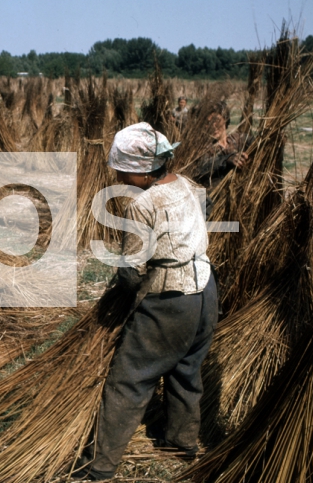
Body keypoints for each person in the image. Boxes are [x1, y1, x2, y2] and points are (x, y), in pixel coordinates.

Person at [73, 123, 219, 481]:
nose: (119, 177)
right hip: (206, 292)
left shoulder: (142, 205)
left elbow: (131, 272)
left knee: (129, 380)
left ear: (140, 171)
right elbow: (208, 204)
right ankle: (181, 443)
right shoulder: (186, 183)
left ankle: (101, 467)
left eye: (122, 171)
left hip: (170, 302)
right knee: (186, 372)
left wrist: (121, 293)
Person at [195, 101, 251, 191]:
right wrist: (226, 159)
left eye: (216, 120)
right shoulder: (202, 148)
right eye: (207, 122)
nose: (213, 126)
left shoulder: (237, 139)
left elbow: (257, 141)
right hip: (213, 199)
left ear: (225, 119)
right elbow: (202, 166)